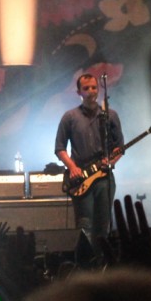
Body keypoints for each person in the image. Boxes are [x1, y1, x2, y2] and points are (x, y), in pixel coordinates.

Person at [54, 74, 124, 244]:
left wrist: (111, 161)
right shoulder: (69, 117)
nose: (91, 91)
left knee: (103, 226)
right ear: (79, 92)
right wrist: (72, 167)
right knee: (84, 225)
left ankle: (102, 266)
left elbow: (119, 147)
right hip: (81, 178)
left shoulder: (110, 116)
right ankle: (86, 265)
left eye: (94, 87)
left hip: (104, 178)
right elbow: (59, 148)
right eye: (86, 88)